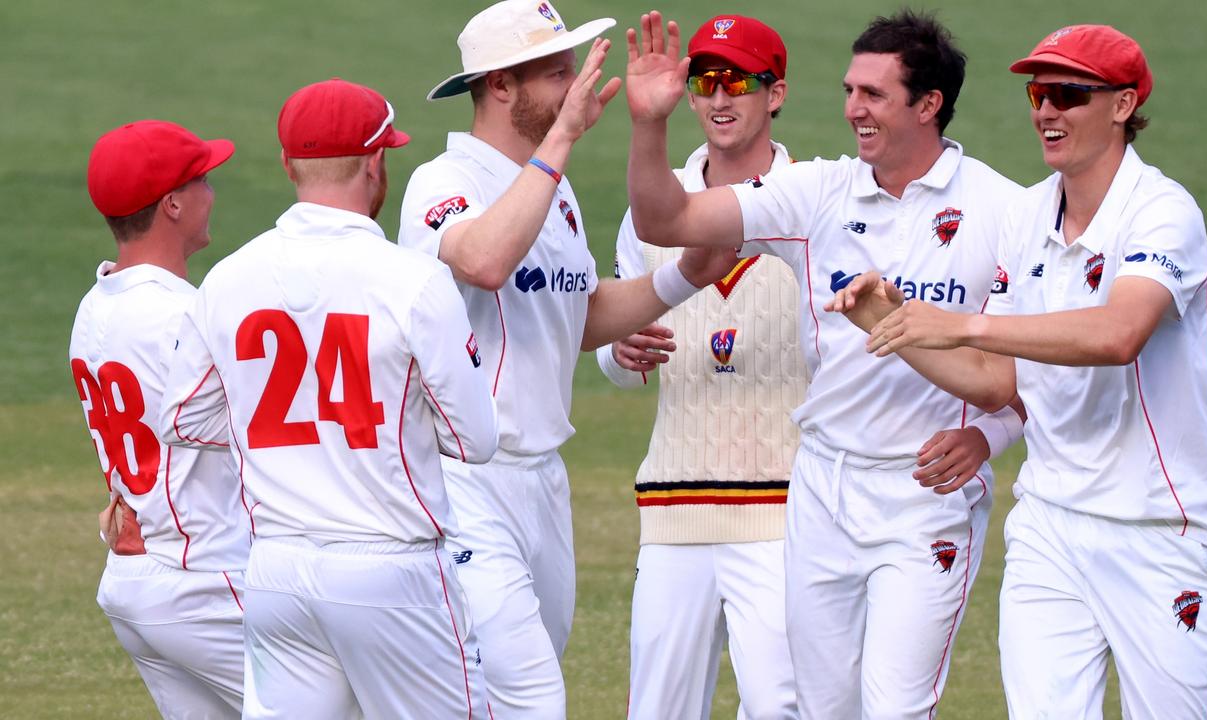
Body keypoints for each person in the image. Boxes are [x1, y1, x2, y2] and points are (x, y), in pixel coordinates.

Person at [623, 10, 1025, 717]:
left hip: (924, 494)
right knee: (818, 707)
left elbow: (1044, 372)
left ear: (928, 105)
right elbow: (664, 222)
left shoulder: (1006, 212)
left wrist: (986, 436)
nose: (851, 111)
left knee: (896, 708)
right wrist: (651, 123)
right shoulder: (819, 193)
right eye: (848, 90)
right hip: (820, 490)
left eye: (873, 95)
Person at [835, 25, 1207, 718]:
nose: (1046, 111)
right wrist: (896, 330)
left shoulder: (1163, 214)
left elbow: (1118, 334)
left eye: (1069, 94)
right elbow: (1001, 383)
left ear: (1123, 104)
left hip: (1158, 530)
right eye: (1038, 93)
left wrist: (963, 324)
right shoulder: (1027, 214)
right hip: (1049, 524)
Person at [398, 2, 738, 716]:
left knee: (511, 688)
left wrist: (684, 277)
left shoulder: (556, 191)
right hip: (464, 480)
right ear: (498, 86)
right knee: (528, 697)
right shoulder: (445, 180)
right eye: (555, 73)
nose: (577, 86)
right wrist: (558, 145)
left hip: (544, 484)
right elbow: (487, 261)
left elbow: (577, 315)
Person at [160, 78, 499, 719]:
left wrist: (292, 429)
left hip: (276, 572)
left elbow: (179, 418)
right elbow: (474, 440)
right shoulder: (414, 280)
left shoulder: (228, 277)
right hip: (393, 573)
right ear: (376, 162)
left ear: (288, 165)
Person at [597, 16, 801, 718]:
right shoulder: (651, 210)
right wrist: (617, 352)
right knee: (657, 708)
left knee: (782, 706)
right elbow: (616, 361)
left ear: (774, 95)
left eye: (738, 82)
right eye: (705, 82)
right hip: (673, 512)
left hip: (784, 514)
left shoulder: (817, 203)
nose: (720, 99)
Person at [71, 119, 249, 718]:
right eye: (202, 180)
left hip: (132, 573)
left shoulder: (94, 305)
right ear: (171, 203)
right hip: (202, 577)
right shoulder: (183, 315)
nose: (212, 193)